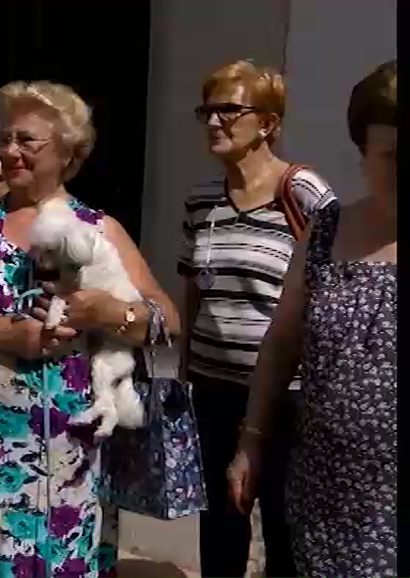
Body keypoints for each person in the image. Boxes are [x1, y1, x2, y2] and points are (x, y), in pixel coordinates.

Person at [0, 81, 180, 577]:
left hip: (67, 461)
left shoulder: (99, 229)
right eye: (3, 139)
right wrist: (7, 334)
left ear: (67, 150)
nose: (9, 152)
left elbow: (166, 321)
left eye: (26, 141)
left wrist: (102, 311)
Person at [228, 59, 397, 578]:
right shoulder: (327, 231)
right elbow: (281, 343)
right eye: (393, 156)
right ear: (363, 154)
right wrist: (251, 441)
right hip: (328, 493)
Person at [178, 60, 337, 578]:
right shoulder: (201, 200)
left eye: (229, 110)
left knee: (285, 531)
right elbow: (193, 290)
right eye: (207, 110)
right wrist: (183, 372)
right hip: (212, 389)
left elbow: (336, 287)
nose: (213, 122)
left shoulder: (303, 192)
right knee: (220, 530)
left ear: (267, 123)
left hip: (282, 397)